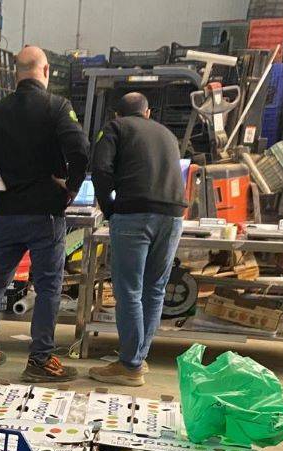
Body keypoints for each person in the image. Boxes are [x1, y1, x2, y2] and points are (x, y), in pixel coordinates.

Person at [0, 45, 89, 382]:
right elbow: (81, 150)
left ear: (16, 74)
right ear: (45, 72)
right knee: (47, 287)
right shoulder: (57, 107)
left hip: (7, 211)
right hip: (45, 213)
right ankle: (40, 360)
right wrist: (70, 187)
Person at [88, 92, 187, 386]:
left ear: (117, 114)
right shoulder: (167, 133)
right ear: (148, 112)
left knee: (129, 290)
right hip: (173, 217)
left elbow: (101, 169)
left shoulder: (115, 128)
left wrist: (109, 209)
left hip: (135, 215)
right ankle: (137, 359)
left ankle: (129, 365)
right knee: (154, 290)